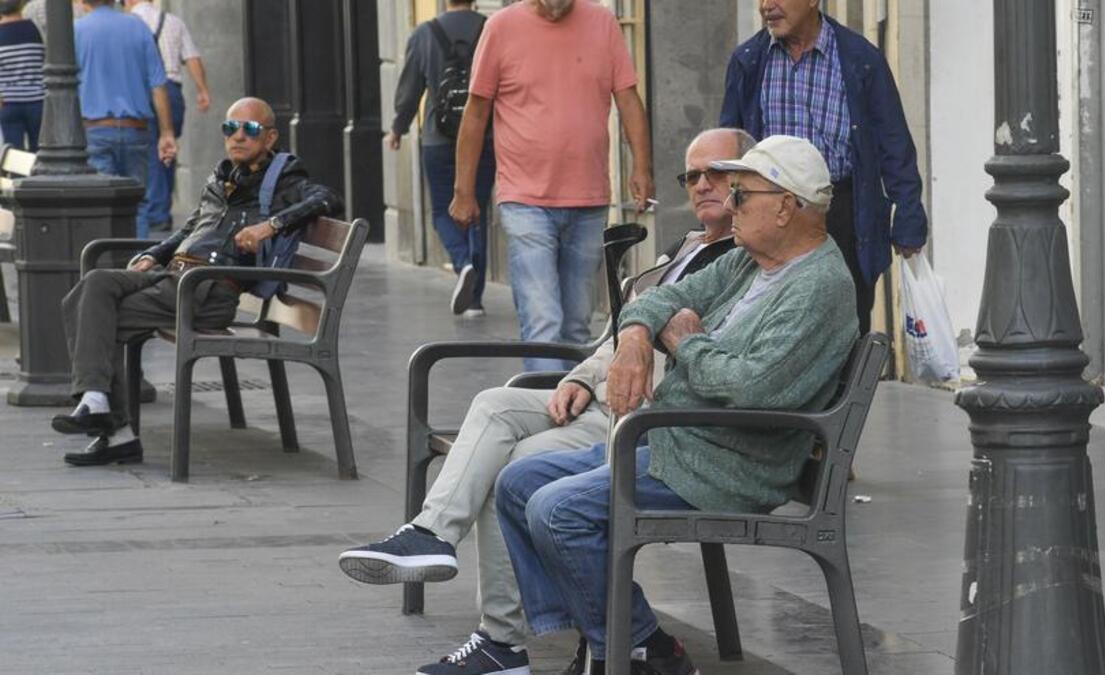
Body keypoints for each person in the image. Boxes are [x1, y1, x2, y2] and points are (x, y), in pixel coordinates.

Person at [337, 128, 753, 675]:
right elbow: (614, 335)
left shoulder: (745, 262)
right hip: (601, 397)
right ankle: (430, 534)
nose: (701, 185)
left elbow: (708, 357)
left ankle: (500, 644)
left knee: (512, 468)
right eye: (691, 175)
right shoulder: (681, 249)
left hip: (645, 417)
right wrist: (579, 378)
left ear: (755, 178)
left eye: (716, 173)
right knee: (493, 402)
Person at [494, 136, 859, 674]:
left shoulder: (819, 286)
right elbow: (664, 297)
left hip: (727, 463)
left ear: (786, 207)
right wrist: (639, 336)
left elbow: (751, 389)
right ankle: (617, 642)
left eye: (742, 194)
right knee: (517, 483)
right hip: (674, 440)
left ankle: (631, 645)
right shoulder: (748, 261)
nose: (729, 205)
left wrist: (686, 342)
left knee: (557, 511)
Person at [51, 98, 342, 467]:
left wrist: (271, 225)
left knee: (94, 315)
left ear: (270, 137)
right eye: (230, 128)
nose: (238, 136)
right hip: (175, 276)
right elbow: (192, 228)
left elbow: (328, 198)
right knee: (93, 286)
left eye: (249, 130)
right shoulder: (222, 179)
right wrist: (154, 254)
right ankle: (96, 401)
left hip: (207, 290)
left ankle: (110, 424)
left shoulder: (286, 178)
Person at [449, 0, 654, 371]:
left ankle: (571, 415)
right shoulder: (501, 28)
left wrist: (642, 167)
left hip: (589, 198)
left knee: (577, 326)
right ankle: (546, 412)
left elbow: (628, 100)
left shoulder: (602, 24)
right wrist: (464, 192)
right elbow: (476, 112)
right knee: (543, 320)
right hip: (524, 198)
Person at [720, 0, 927, 334]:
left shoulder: (861, 60)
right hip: (771, 212)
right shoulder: (749, 61)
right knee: (775, 323)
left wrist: (909, 216)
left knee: (844, 327)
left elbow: (894, 145)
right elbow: (730, 144)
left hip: (844, 212)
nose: (766, 6)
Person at [390, 0, 493, 317]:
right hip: (483, 136)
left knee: (441, 211)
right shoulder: (490, 28)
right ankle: (474, 299)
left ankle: (462, 262)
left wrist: (398, 128)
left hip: (437, 137)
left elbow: (410, 91)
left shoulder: (424, 33)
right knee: (477, 210)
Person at [75, 0, 177, 239]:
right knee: (138, 204)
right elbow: (158, 84)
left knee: (102, 205)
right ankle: (136, 269)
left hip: (95, 130)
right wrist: (167, 132)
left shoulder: (76, 31)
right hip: (136, 129)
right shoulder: (138, 26)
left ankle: (106, 269)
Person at [126, 0, 212, 234]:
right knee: (168, 148)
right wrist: (203, 89)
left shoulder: (129, 23)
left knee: (149, 152)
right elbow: (192, 57)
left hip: (142, 90)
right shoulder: (173, 21)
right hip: (172, 91)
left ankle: (156, 213)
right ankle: (161, 209)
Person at [0, 0, 45, 151]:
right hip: (37, 101)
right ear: (20, 6)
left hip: (8, 102)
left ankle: (17, 176)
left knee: (14, 154)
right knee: (39, 151)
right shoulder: (34, 30)